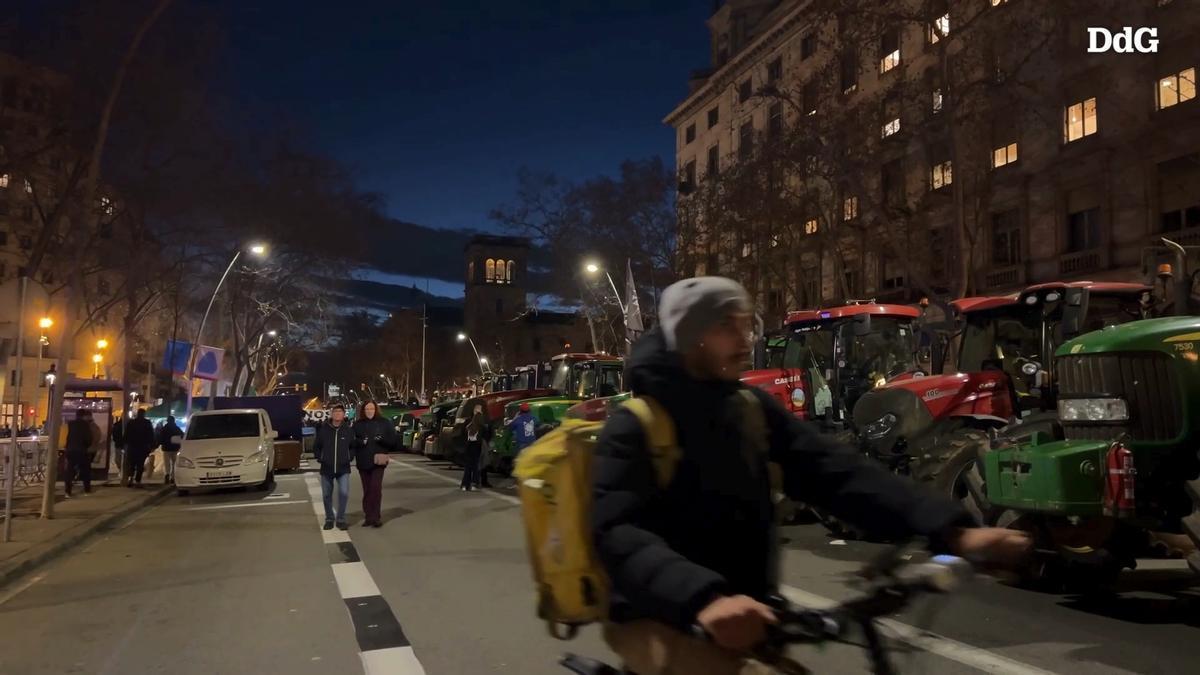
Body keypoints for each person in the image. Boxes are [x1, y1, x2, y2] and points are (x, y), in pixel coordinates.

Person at [591, 277, 1031, 675]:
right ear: (690, 335)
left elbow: (836, 473)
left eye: (748, 325)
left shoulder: (747, 410)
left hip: (747, 615)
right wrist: (704, 599)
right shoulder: (636, 424)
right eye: (729, 326)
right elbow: (617, 533)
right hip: (661, 616)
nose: (746, 340)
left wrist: (951, 531)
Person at [352, 400, 396, 528]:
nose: (369, 411)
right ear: (363, 411)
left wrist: (382, 440)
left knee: (375, 488)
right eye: (367, 409)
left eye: (371, 409)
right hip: (363, 461)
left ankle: (376, 516)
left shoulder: (385, 423)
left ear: (376, 409)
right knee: (367, 490)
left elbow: (393, 441)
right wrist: (361, 442)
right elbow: (351, 441)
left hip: (378, 461)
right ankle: (368, 516)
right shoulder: (358, 424)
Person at [313, 404, 354, 530]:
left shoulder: (348, 430)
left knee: (344, 493)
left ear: (343, 414)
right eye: (335, 411)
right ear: (331, 414)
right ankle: (329, 518)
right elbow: (317, 446)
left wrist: (349, 457)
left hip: (343, 468)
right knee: (326, 495)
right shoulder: (324, 430)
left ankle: (340, 519)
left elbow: (353, 446)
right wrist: (321, 458)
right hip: (327, 468)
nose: (337, 414)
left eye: (340, 411)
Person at [62, 410, 94, 498]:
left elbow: (67, 437)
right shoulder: (85, 425)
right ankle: (87, 490)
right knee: (85, 470)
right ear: (84, 416)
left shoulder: (70, 424)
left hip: (70, 450)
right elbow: (88, 439)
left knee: (69, 471)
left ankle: (68, 492)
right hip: (81, 451)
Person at [124, 409, 156, 488]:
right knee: (140, 464)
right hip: (143, 447)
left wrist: (125, 444)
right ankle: (138, 480)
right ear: (144, 414)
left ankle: (130, 478)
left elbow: (126, 434)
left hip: (132, 446)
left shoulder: (131, 422)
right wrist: (152, 446)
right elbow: (151, 435)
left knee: (131, 463)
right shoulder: (147, 423)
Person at [460, 406, 484, 492]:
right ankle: (475, 484)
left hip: (469, 445)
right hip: (476, 445)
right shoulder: (480, 421)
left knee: (468, 466)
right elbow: (485, 432)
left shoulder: (468, 422)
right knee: (475, 465)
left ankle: (465, 484)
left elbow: (462, 432)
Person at [158, 415, 184, 485]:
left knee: (167, 463)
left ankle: (167, 474)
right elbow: (182, 435)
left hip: (166, 448)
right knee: (174, 463)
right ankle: (172, 477)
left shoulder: (164, 429)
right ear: (173, 421)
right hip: (175, 448)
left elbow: (160, 438)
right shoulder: (176, 428)